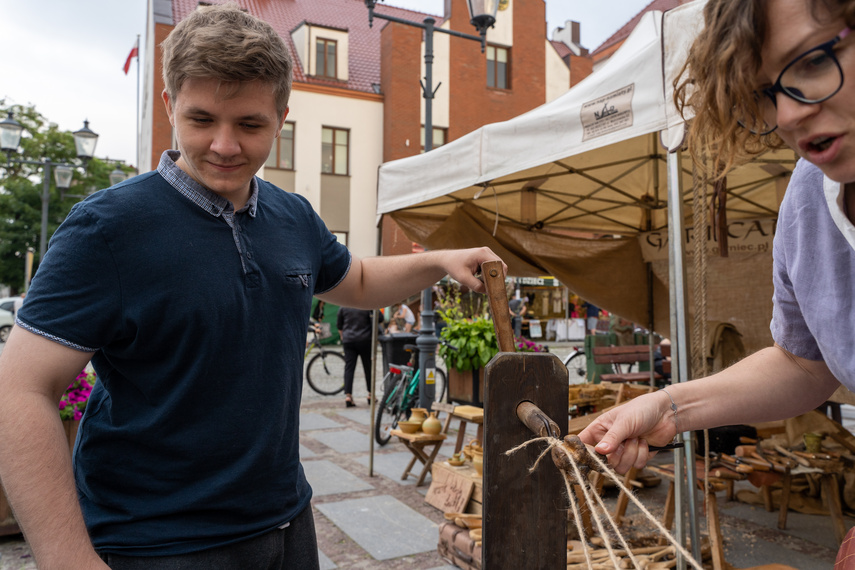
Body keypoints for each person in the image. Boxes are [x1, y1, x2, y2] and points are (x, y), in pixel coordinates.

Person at [0, 5, 506, 569]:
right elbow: (18, 392)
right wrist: (68, 560)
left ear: (281, 118)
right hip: (156, 543)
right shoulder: (108, 228)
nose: (224, 145)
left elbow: (356, 278)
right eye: (201, 119)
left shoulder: (293, 217)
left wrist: (438, 259)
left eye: (249, 124)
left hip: (286, 525)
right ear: (169, 105)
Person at [579, 0, 855, 476]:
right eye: (765, 92)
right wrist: (669, 407)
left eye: (812, 62)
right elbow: (804, 364)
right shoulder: (807, 200)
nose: (787, 114)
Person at [336, 307, 374, 407]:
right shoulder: (366, 304)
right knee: (368, 367)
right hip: (365, 339)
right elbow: (380, 318)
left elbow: (339, 325)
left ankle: (348, 395)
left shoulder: (343, 306)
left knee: (349, 368)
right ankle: (371, 394)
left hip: (349, 340)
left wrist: (343, 336)